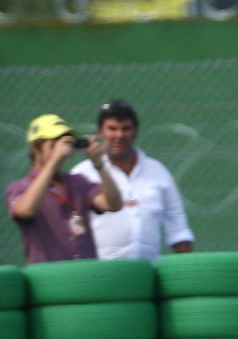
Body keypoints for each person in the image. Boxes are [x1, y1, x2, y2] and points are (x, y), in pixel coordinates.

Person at [69, 99, 194, 261]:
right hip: (101, 274)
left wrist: (188, 270)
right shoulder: (82, 173)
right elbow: (73, 228)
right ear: (101, 131)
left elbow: (178, 227)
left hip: (148, 271)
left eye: (126, 129)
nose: (119, 135)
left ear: (135, 131)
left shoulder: (158, 171)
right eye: (112, 129)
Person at [6, 113, 122, 264]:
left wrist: (99, 163)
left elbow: (113, 204)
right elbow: (25, 210)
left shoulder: (78, 182)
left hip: (86, 276)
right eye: (53, 142)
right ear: (35, 147)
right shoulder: (19, 188)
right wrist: (54, 160)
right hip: (48, 279)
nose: (60, 148)